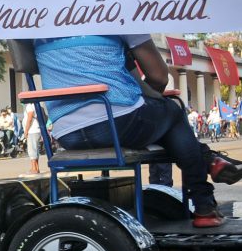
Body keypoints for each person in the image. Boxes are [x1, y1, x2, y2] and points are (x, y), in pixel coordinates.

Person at [33, 35, 242, 227]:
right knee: (173, 111)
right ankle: (204, 201)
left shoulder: (41, 25)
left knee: (160, 119)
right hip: (119, 121)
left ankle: (209, 162)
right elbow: (159, 77)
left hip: (66, 132)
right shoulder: (120, 14)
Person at [23, 104, 42, 174]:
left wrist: (26, 130)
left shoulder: (29, 106)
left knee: (32, 150)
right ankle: (36, 168)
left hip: (32, 131)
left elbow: (30, 117)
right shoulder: (35, 105)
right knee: (35, 149)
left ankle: (34, 168)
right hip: (36, 130)